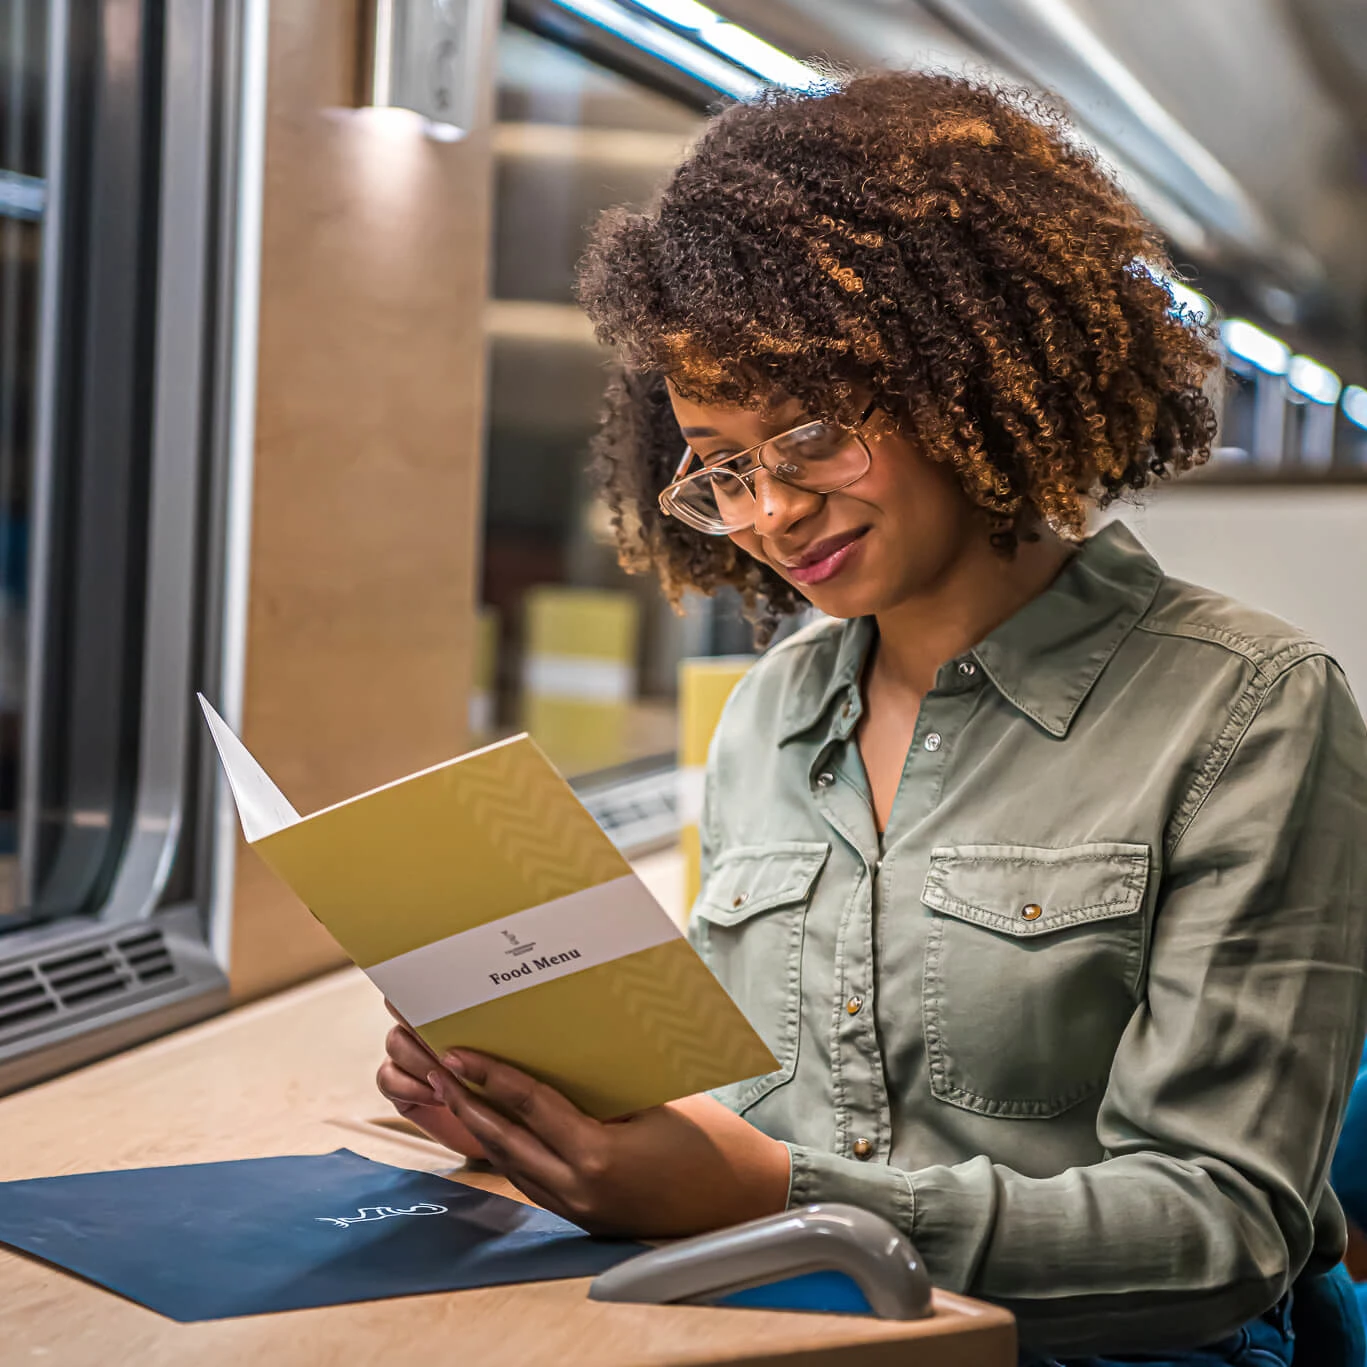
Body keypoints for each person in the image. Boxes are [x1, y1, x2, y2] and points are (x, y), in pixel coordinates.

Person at [377, 71, 1367, 1364]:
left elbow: (1215, 1233)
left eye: (811, 436)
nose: (771, 511)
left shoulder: (1249, 712)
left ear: (965, 375)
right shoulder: (767, 714)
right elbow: (746, 1104)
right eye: (724, 468)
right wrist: (562, 1120)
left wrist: (780, 1201)